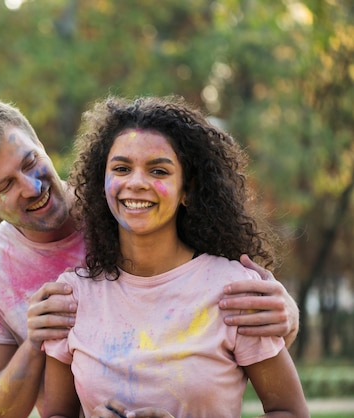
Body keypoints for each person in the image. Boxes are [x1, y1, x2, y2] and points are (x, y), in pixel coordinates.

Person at [0, 98, 301, 418]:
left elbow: (220, 289)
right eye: (6, 185)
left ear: (41, 145)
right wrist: (34, 343)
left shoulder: (134, 208)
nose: (32, 187)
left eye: (29, 163)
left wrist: (287, 312)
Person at [42, 95, 309, 418]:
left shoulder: (235, 291)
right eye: (122, 168)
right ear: (103, 184)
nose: (136, 183)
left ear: (187, 190)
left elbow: (290, 411)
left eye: (158, 171)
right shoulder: (72, 297)